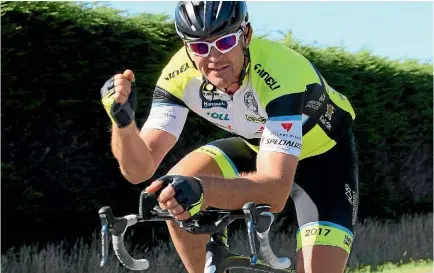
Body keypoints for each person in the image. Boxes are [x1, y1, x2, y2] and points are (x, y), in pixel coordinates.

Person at [100, 1, 359, 273]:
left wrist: (203, 190)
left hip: (325, 160)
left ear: (246, 35)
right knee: (173, 188)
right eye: (200, 47)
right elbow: (138, 169)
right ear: (187, 47)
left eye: (224, 43)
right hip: (258, 147)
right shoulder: (178, 76)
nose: (213, 57)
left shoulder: (281, 75)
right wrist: (123, 124)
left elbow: (275, 192)